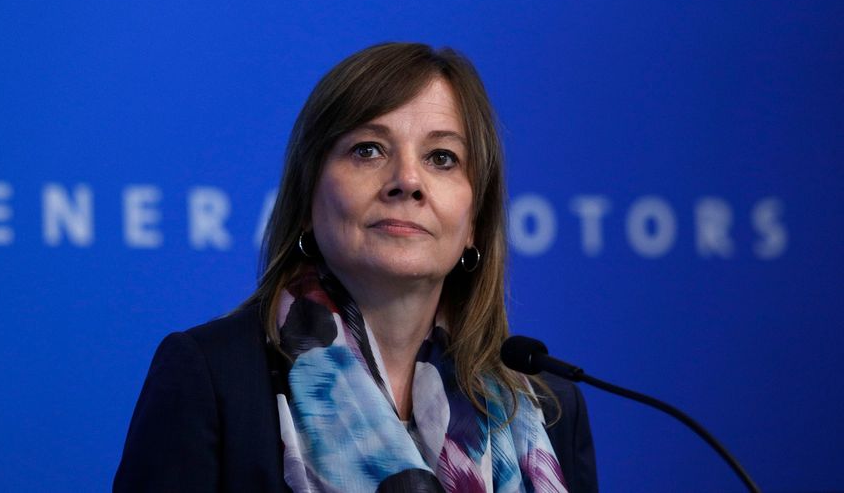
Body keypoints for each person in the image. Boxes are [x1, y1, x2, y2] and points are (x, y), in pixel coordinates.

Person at [114, 42, 597, 492]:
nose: (407, 180)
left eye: (442, 158)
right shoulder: (213, 377)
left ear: (474, 221)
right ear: (307, 198)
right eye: (368, 150)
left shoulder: (548, 406)